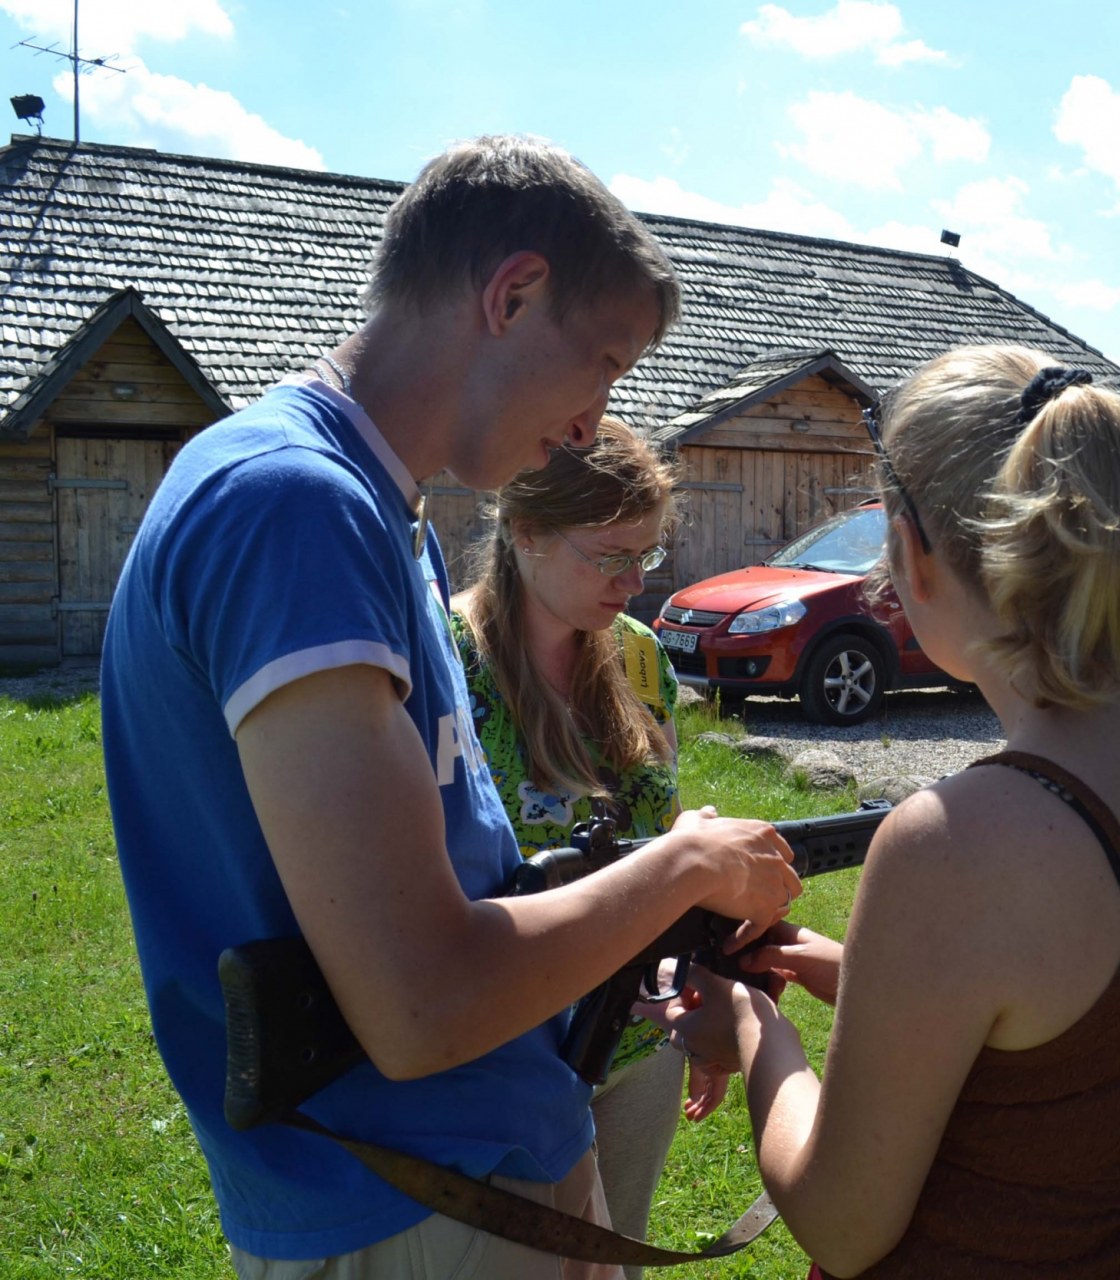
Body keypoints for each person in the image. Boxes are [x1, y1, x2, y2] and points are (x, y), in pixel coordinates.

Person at [99, 136, 801, 1279]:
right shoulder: (293, 505)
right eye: (603, 365)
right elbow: (421, 1001)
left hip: (467, 1180)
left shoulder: (377, 512)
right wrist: (684, 867)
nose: (591, 424)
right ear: (512, 296)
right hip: (414, 1204)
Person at [648, 345, 1120, 1280]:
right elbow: (1081, 1047)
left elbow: (841, 1225)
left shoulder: (957, 844)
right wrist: (857, 974)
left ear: (911, 550)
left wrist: (754, 1032)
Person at [448, 417, 729, 1247]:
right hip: (503, 1052)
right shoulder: (443, 662)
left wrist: (699, 995)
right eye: (610, 556)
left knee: (616, 1254)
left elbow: (665, 841)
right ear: (525, 531)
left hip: (637, 1044)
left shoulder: (639, 657)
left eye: (647, 554)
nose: (634, 582)